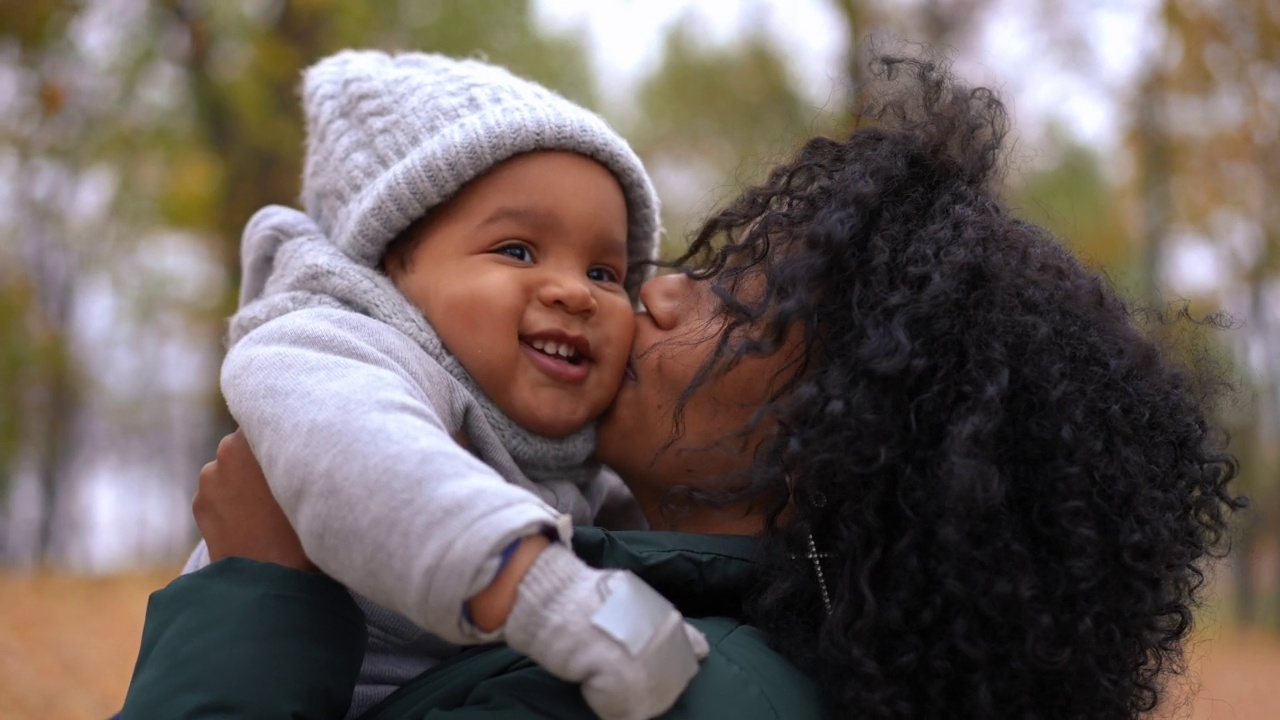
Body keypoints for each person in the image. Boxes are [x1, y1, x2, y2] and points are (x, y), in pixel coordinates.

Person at [124, 55, 1243, 719]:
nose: (648, 299)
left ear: (834, 445)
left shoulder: (630, 682)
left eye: (732, 306)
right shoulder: (711, 626)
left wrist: (260, 593)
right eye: (516, 252)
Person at [182, 49, 706, 720]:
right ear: (395, 263)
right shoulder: (327, 346)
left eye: (606, 272)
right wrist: (552, 597)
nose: (576, 293)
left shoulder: (578, 450)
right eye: (517, 250)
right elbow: (366, 460)